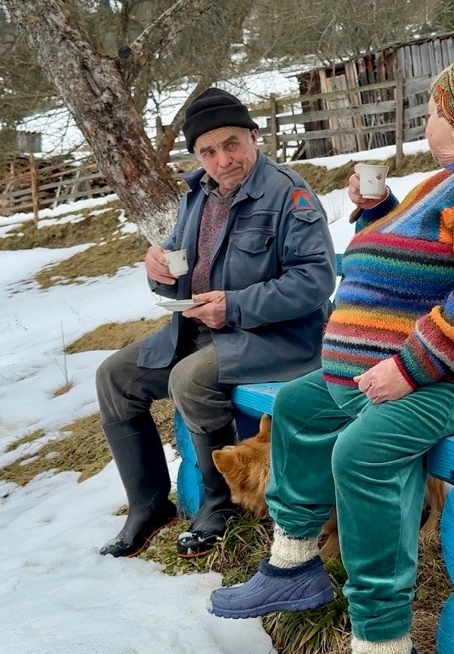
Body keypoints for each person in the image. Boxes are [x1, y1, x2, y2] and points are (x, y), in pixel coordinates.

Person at [209, 58, 454, 654]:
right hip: (426, 372)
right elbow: (426, 254)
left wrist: (408, 368)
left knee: (364, 450)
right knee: (299, 407)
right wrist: (381, 213)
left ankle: (380, 635)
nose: (426, 123)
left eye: (432, 112)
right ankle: (293, 567)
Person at [94, 87, 337, 559]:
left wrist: (235, 306)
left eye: (232, 144)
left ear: (253, 135)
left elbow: (315, 281)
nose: (223, 160)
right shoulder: (196, 197)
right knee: (114, 377)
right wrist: (158, 272)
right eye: (208, 151)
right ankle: (147, 506)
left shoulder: (289, 193)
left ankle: (221, 503)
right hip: (205, 331)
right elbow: (178, 272)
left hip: (280, 337)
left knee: (190, 378)